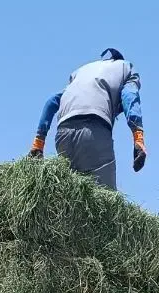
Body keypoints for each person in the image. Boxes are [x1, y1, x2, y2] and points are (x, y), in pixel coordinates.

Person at [29, 49, 146, 190]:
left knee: (73, 195)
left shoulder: (81, 73)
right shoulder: (127, 69)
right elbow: (130, 96)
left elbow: (52, 101)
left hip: (62, 134)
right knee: (105, 200)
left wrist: (38, 143)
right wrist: (138, 138)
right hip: (93, 131)